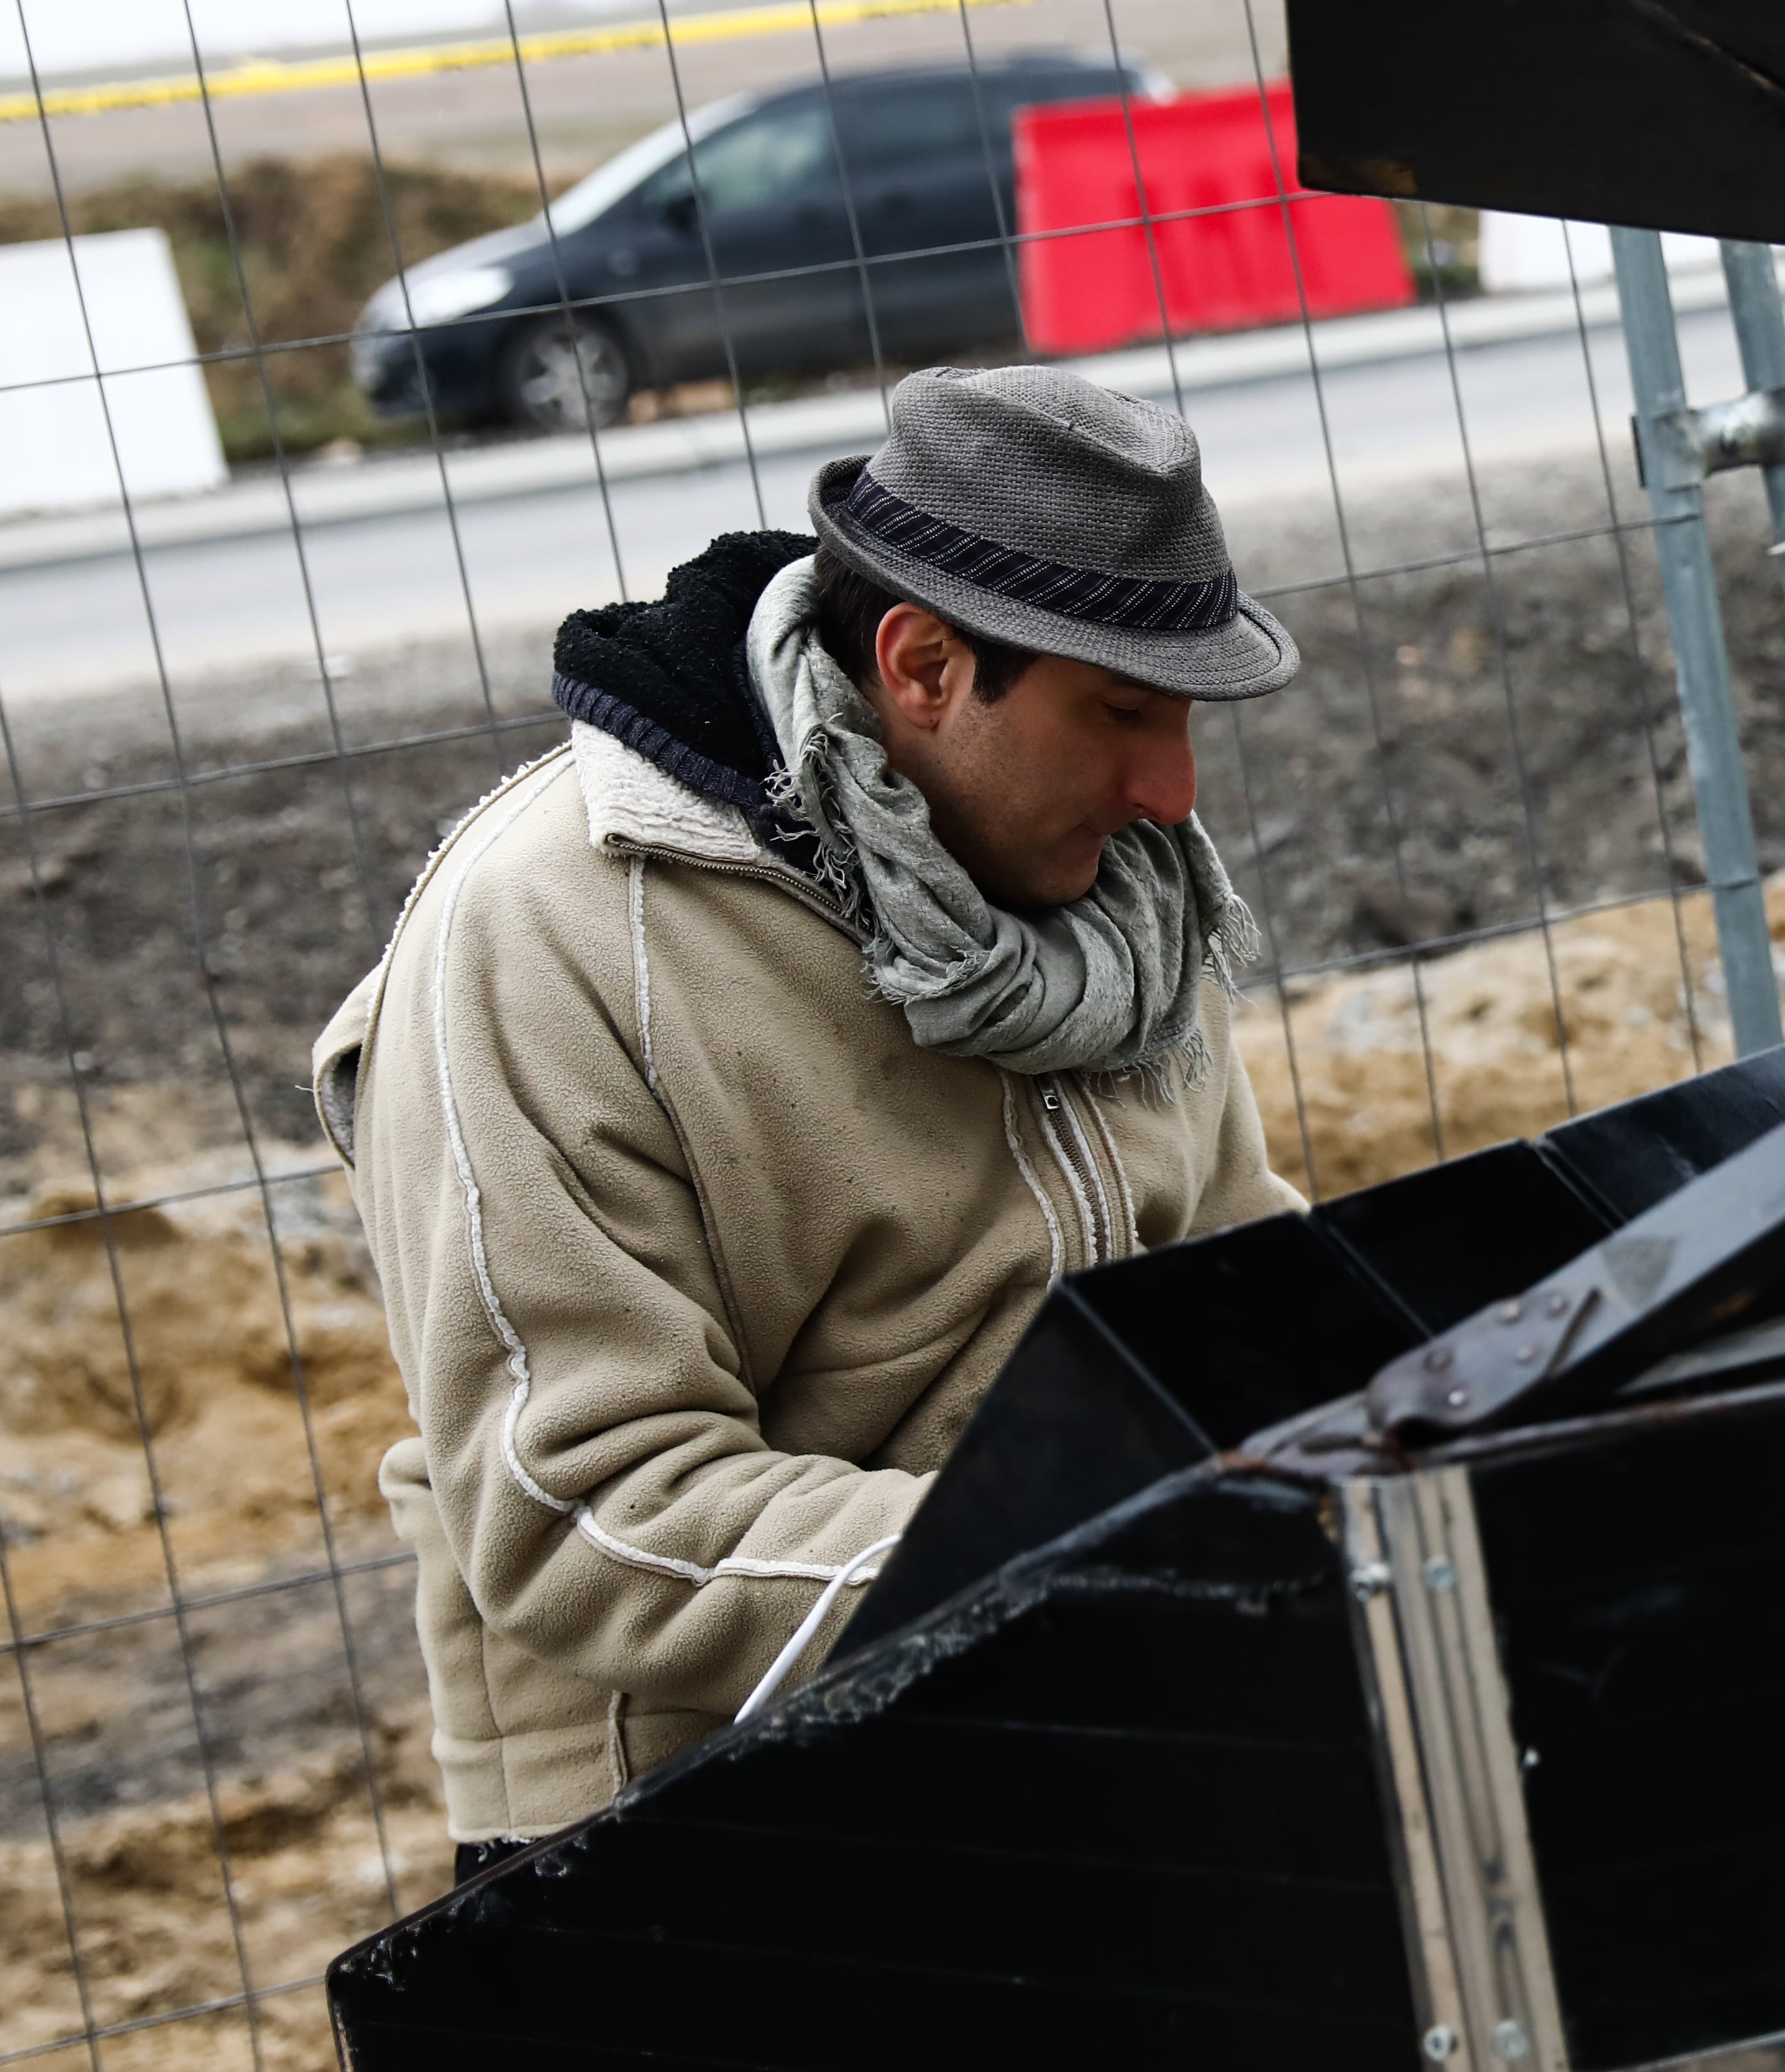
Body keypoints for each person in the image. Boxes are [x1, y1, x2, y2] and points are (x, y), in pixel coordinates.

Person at [311, 367, 1306, 1880]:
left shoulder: (1125, 904)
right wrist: (1083, 1558)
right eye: (1119, 713)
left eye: (1182, 721)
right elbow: (590, 1504)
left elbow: (1234, 1280)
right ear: (918, 662)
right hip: (684, 1832)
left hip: (1084, 1702)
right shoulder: (558, 935)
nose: (1170, 792)